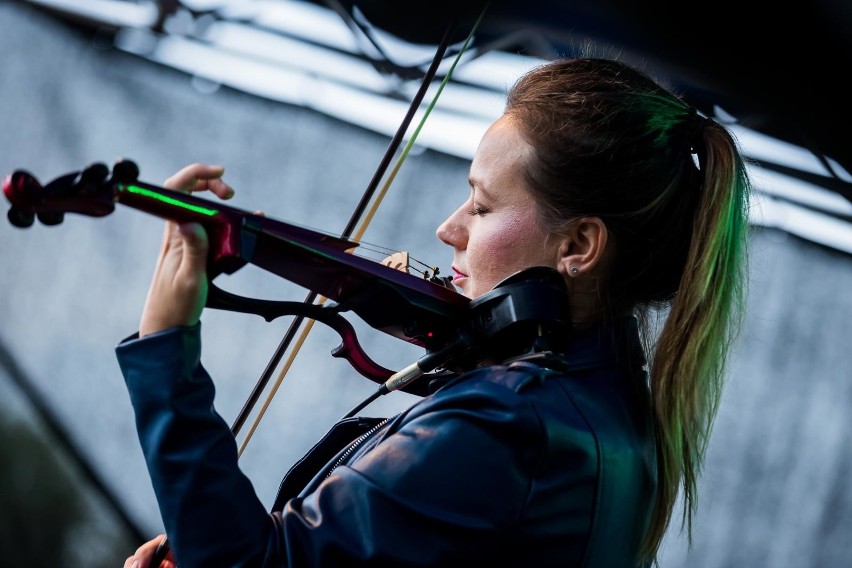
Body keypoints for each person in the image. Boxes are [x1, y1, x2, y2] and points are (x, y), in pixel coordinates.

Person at [119, 56, 750, 567]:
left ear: (578, 246)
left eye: (481, 206)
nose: (448, 228)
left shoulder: (511, 423)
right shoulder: (604, 408)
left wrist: (164, 346)